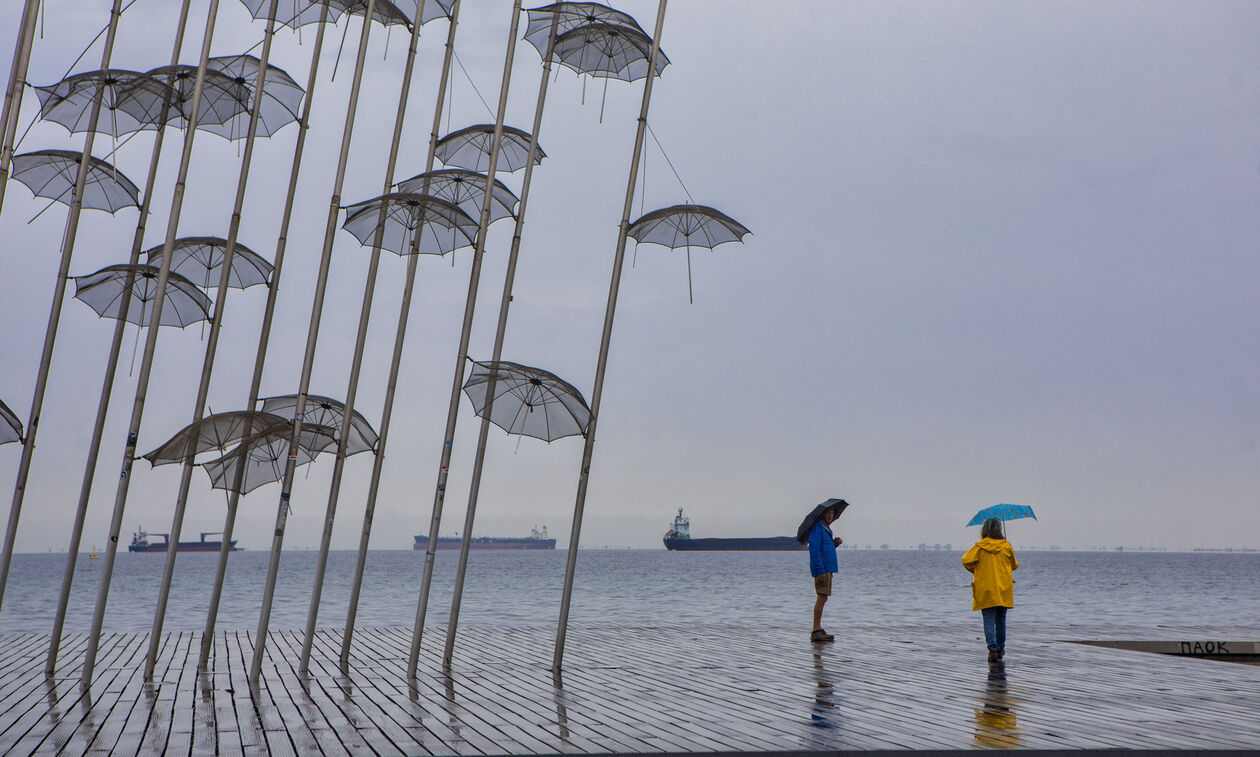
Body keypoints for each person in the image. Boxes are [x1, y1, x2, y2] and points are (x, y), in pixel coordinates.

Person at [962, 517, 1019, 662]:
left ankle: (992, 648)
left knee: (988, 619)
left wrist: (977, 570)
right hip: (1003, 589)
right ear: (999, 528)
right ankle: (1000, 648)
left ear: (985, 529)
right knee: (1001, 619)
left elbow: (966, 560)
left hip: (986, 588)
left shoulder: (980, 547)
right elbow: (1014, 565)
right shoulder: (1006, 546)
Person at [808, 504, 843, 642]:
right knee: (821, 597)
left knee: (823, 598)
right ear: (822, 514)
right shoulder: (817, 527)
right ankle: (816, 630)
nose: (830, 515)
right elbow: (815, 550)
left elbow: (825, 548)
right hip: (822, 569)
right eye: (828, 513)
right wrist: (819, 569)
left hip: (827, 568)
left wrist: (835, 543)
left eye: (832, 513)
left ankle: (818, 628)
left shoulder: (825, 528)